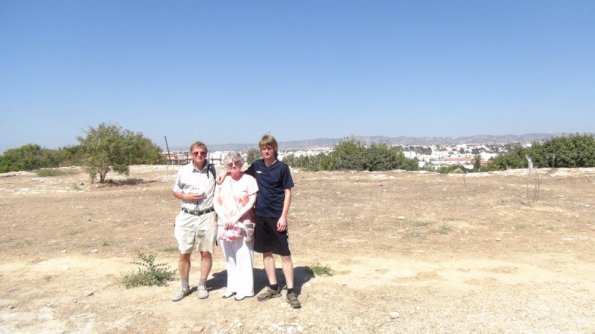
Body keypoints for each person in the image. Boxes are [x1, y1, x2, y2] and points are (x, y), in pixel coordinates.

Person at [221, 134, 302, 308]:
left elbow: (288, 193)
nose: (266, 151)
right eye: (263, 148)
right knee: (266, 252)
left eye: (269, 148)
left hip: (276, 216)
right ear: (261, 150)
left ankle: (291, 291)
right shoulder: (257, 165)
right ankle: (273, 287)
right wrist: (224, 174)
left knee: (285, 254)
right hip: (260, 216)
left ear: (274, 149)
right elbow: (238, 172)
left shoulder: (282, 168)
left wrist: (283, 216)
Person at [171, 141, 217, 302]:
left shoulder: (213, 170)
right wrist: (186, 197)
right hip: (187, 216)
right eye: (196, 153)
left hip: (207, 216)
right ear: (191, 153)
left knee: (206, 252)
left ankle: (202, 285)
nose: (199, 155)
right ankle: (184, 287)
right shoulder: (183, 171)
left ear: (207, 153)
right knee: (184, 252)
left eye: (203, 153)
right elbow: (175, 191)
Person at [213, 152, 258, 301]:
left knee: (243, 255)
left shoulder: (249, 180)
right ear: (226, 166)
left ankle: (245, 289)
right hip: (225, 223)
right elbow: (216, 202)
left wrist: (236, 217)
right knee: (229, 257)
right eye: (230, 164)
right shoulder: (222, 181)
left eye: (236, 163)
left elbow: (251, 202)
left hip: (243, 222)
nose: (234, 166)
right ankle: (232, 287)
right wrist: (225, 217)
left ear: (241, 163)